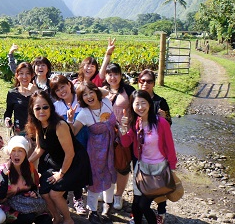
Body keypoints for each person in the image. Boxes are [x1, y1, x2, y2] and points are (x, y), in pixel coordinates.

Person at [119, 90, 177, 224]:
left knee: (143, 205)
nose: (140, 107)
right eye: (137, 104)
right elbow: (125, 142)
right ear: (132, 106)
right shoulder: (136, 123)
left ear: (150, 104)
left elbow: (170, 146)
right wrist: (123, 127)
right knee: (137, 203)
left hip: (158, 169)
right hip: (141, 168)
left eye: (143, 103)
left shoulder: (161, 123)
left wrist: (172, 168)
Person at [27, 90, 80, 224]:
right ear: (32, 111)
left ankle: (68, 220)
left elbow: (70, 153)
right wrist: (24, 163)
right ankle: (56, 217)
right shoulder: (39, 125)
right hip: (54, 164)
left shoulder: (59, 125)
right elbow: (40, 148)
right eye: (37, 108)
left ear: (51, 107)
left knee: (54, 194)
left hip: (72, 164)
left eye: (45, 107)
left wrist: (61, 174)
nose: (42, 111)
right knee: (44, 193)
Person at [72, 81, 116, 224]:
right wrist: (70, 119)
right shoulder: (84, 113)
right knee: (95, 179)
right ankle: (93, 210)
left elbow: (106, 92)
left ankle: (108, 205)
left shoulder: (107, 102)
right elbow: (73, 132)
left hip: (112, 147)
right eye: (84, 95)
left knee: (110, 174)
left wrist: (94, 89)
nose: (89, 96)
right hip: (95, 152)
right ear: (81, 98)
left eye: (91, 92)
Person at [137, 69, 172, 223]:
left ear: (153, 83)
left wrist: (164, 118)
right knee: (142, 182)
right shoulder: (136, 99)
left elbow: (169, 124)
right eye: (142, 80)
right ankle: (137, 211)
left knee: (160, 184)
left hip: (158, 151)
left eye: (149, 81)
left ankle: (161, 212)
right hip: (140, 150)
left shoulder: (160, 101)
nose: (145, 84)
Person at [49, 74, 86, 215]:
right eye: (57, 90)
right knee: (66, 169)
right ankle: (64, 199)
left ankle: (78, 199)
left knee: (78, 171)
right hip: (65, 143)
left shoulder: (81, 99)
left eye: (63, 86)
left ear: (70, 85)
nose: (61, 91)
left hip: (83, 140)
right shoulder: (56, 107)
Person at [0, 136, 52, 224]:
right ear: (9, 153)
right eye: (13, 150)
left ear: (25, 153)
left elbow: (34, 186)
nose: (16, 154)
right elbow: (0, 197)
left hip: (27, 203)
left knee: (45, 219)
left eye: (20, 150)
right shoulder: (3, 168)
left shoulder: (29, 167)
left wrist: (33, 193)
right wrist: (5, 178)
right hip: (9, 206)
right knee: (28, 217)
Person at [103, 63, 136, 210]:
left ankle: (118, 195)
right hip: (105, 133)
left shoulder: (128, 90)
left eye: (115, 74)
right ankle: (106, 193)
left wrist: (129, 121)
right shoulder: (102, 91)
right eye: (109, 74)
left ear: (121, 75)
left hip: (123, 133)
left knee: (122, 165)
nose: (112, 77)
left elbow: (138, 108)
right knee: (105, 164)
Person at [4, 62, 38, 136]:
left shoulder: (38, 92)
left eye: (27, 73)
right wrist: (7, 119)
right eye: (21, 73)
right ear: (17, 75)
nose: (24, 77)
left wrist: (36, 92)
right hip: (19, 132)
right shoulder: (12, 93)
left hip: (37, 131)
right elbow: (8, 111)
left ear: (32, 75)